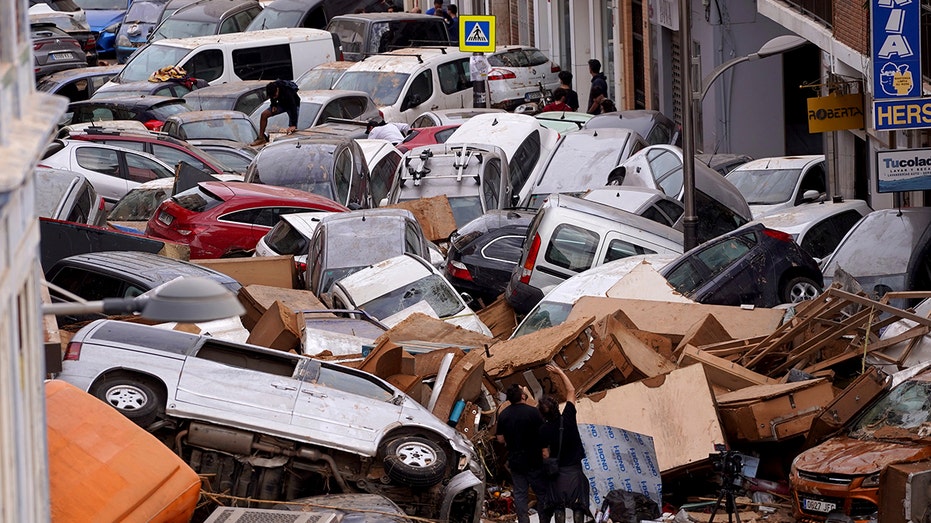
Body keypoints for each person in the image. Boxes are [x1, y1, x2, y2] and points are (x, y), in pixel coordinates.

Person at [538, 364, 591, 523]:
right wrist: (560, 372)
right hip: (575, 470)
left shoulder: (544, 429)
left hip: (558, 473)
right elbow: (571, 391)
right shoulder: (568, 416)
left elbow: (545, 454)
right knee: (579, 506)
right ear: (557, 407)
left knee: (558, 507)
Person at [496, 383, 548, 523]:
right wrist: (544, 450)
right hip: (534, 460)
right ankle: (544, 520)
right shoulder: (533, 412)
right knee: (541, 493)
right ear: (522, 396)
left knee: (520, 494)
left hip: (516, 461)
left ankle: (524, 521)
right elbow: (543, 433)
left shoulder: (504, 415)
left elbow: (500, 439)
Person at [251, 79, 300, 146]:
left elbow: (293, 106)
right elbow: (272, 98)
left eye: (275, 95)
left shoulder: (287, 91)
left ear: (277, 89)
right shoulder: (272, 89)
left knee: (292, 128)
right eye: (272, 96)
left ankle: (293, 143)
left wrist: (293, 124)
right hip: (282, 103)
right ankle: (261, 138)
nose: (274, 97)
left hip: (292, 105)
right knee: (264, 115)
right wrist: (273, 105)